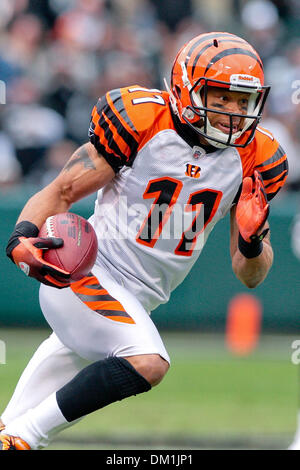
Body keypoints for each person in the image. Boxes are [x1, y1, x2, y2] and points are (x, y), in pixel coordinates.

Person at [0, 31, 288, 450]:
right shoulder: (144, 121)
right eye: (221, 97)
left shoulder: (257, 158)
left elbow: (251, 277)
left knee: (9, 422)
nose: (231, 113)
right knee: (148, 361)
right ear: (188, 88)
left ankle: (13, 433)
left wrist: (249, 240)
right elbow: (62, 190)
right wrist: (19, 239)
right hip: (86, 272)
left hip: (137, 298)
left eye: (242, 102)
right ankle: (24, 438)